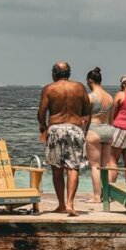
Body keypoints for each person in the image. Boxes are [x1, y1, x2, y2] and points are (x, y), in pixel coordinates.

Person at [37, 62, 91, 216]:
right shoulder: (79, 87)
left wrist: (43, 127)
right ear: (69, 73)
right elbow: (87, 112)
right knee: (74, 167)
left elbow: (41, 113)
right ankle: (70, 204)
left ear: (55, 73)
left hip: (55, 128)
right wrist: (83, 131)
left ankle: (61, 204)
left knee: (57, 168)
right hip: (75, 128)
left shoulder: (49, 89)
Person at [85, 67, 114, 201]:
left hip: (94, 130)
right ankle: (106, 195)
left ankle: (97, 196)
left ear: (90, 81)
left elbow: (85, 118)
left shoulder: (90, 97)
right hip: (108, 129)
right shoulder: (110, 97)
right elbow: (111, 118)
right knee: (105, 165)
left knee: (95, 166)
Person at [110, 75, 126, 183]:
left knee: (113, 160)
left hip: (120, 128)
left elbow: (113, 114)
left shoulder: (121, 94)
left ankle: (109, 191)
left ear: (123, 84)